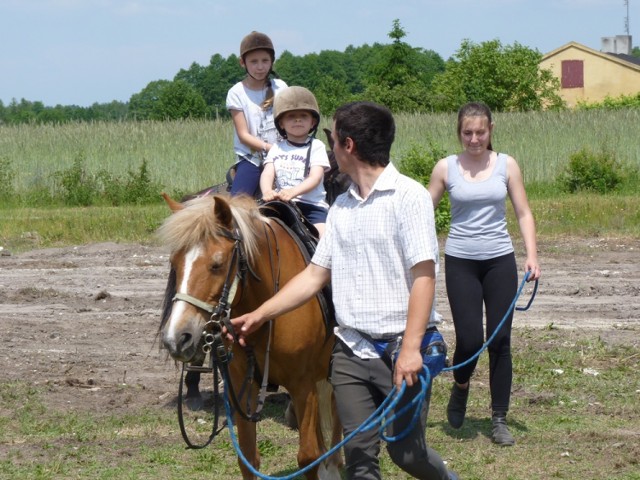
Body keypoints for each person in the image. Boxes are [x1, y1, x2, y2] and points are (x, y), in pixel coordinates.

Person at [229, 101, 457, 480]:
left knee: (407, 454)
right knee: (359, 456)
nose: (330, 145)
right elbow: (315, 275)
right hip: (351, 351)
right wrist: (259, 314)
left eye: (333, 138)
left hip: (402, 350)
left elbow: (424, 277)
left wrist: (413, 349)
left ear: (347, 145)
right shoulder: (342, 207)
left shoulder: (409, 197)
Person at [427, 101, 541, 446]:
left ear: (491, 130)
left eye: (480, 132)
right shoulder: (445, 168)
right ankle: (460, 387)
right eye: (467, 133)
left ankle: (499, 418)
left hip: (499, 261)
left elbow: (523, 212)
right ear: (459, 132)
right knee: (471, 340)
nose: (474, 139)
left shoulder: (507, 165)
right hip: (460, 261)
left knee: (500, 340)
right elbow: (421, 211)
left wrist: (532, 255)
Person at [260, 86, 330, 236]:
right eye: (291, 116)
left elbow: (315, 177)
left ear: (312, 122)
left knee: (325, 239)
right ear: (281, 124)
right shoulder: (276, 148)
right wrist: (267, 191)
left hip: (311, 206)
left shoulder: (316, 146)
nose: (298, 120)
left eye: (303, 116)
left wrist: (293, 192)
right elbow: (267, 173)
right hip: (282, 204)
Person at [226, 31, 287, 196]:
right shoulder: (236, 93)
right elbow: (243, 135)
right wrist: (269, 148)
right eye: (254, 61)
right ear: (242, 62)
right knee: (238, 204)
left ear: (272, 62)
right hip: (252, 159)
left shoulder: (281, 87)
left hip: (285, 155)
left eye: (265, 61)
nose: (260, 67)